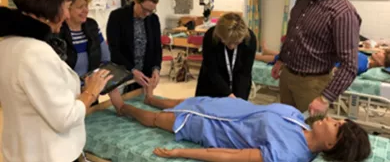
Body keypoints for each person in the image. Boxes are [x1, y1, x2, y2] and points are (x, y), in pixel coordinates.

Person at [0, 0, 112, 162]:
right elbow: (65, 118)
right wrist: (91, 92)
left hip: (21, 150)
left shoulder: (7, 43)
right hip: (48, 155)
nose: (68, 15)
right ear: (51, 6)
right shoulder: (35, 52)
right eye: (68, 6)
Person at [108, 87, 371, 162]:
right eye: (338, 119)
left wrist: (180, 152)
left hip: (209, 126)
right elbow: (260, 112)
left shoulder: (286, 154)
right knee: (178, 100)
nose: (331, 119)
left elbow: (230, 155)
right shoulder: (298, 119)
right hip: (224, 106)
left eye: (336, 125)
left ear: (330, 144)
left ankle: (122, 107)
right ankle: (149, 95)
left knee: (158, 120)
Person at [271, 0, 362, 114]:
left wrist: (325, 98)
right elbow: (293, 33)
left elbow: (349, 65)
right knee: (287, 125)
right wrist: (281, 60)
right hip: (287, 76)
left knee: (310, 133)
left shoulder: (343, 13)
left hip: (312, 84)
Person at [59, 0, 111, 106]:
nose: (85, 11)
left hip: (91, 91)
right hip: (67, 96)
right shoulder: (58, 31)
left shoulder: (92, 25)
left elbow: (106, 58)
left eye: (86, 6)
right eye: (80, 7)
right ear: (67, 9)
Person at [107, 0, 162, 93]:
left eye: (151, 11)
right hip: (123, 72)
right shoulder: (117, 16)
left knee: (142, 102)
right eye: (145, 9)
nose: (147, 13)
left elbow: (157, 47)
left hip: (145, 75)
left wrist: (156, 68)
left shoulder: (153, 19)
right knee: (124, 105)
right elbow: (114, 50)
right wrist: (132, 71)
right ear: (136, 1)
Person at [195, 13, 257, 100]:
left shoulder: (249, 40)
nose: (231, 47)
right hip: (211, 83)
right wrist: (227, 93)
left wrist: (239, 99)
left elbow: (245, 73)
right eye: (227, 42)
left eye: (236, 42)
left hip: (238, 83)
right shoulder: (211, 37)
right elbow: (212, 70)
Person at [257, 42, 390, 75]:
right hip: (325, 56)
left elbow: (335, 71)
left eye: (382, 54)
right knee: (291, 53)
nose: (379, 51)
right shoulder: (365, 60)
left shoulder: (361, 65)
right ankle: (266, 50)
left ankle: (255, 56)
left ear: (382, 63)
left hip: (320, 61)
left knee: (287, 58)